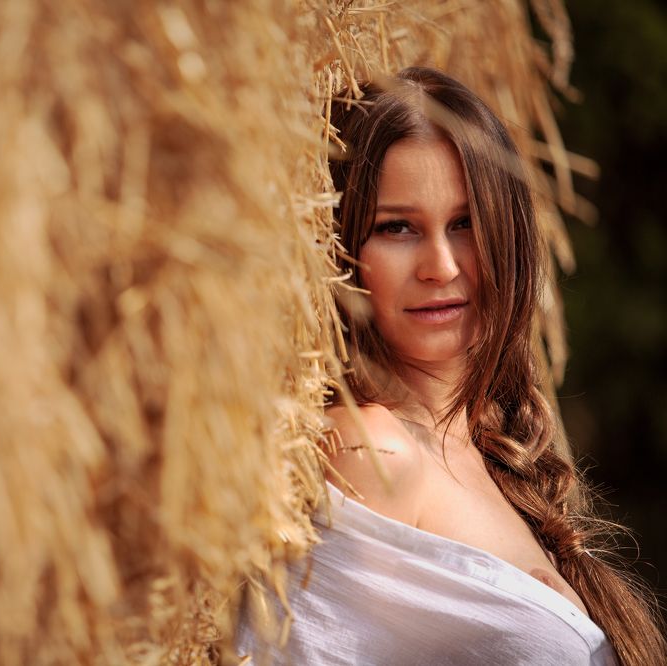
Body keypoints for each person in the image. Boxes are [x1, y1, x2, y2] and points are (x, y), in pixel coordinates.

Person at [238, 67, 664, 665]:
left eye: (465, 223)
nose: (441, 265)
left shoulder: (490, 456)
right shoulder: (372, 454)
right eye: (397, 227)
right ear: (340, 252)